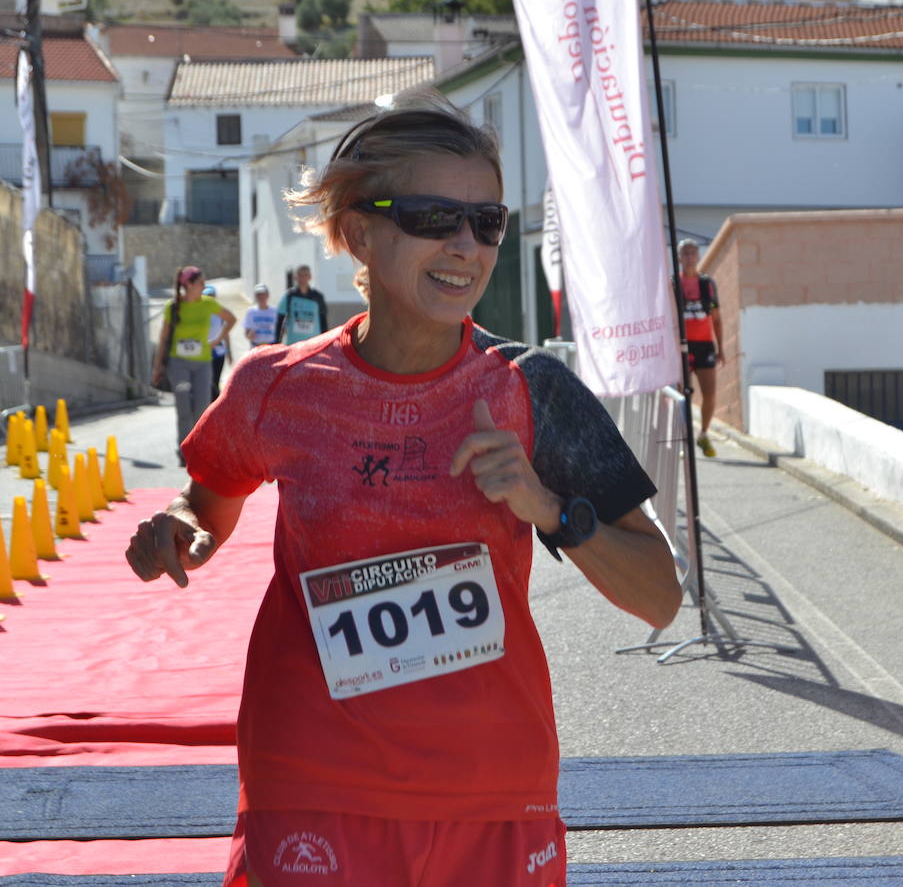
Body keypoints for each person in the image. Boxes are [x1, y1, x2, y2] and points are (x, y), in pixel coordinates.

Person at [125, 101, 680, 887]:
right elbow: (205, 505)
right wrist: (177, 532)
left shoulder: (531, 391)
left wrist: (545, 506)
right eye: (432, 217)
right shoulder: (273, 388)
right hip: (312, 780)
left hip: (491, 789)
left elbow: (661, 598)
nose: (466, 247)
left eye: (485, 221)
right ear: (357, 233)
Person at [151, 266, 236, 466]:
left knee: (201, 407)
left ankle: (200, 448)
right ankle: (184, 450)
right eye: (201, 283)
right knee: (183, 407)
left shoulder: (208, 304)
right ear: (188, 285)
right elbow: (163, 339)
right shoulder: (173, 306)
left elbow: (231, 319)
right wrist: (157, 368)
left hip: (202, 365)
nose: (204, 286)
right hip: (178, 364)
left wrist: (217, 340)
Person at [677, 238, 724, 457]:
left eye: (692, 253)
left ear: (698, 257)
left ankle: (703, 434)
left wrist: (720, 347)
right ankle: (682, 436)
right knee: (681, 394)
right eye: (685, 253)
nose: (689, 257)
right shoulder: (673, 284)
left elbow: (716, 318)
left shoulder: (707, 284)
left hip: (705, 344)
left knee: (710, 394)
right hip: (681, 346)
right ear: (679, 257)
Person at [274, 264, 328, 344]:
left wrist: (325, 342)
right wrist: (277, 342)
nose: (302, 278)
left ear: (310, 277)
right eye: (300, 275)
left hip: (313, 344)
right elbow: (280, 320)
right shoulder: (289, 296)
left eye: (305, 275)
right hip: (293, 344)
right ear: (295, 277)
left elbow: (323, 321)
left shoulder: (317, 297)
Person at [202, 285, 231, 402]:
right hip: (204, 353)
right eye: (207, 296)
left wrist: (229, 352)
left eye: (211, 296)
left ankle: (215, 407)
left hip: (218, 353)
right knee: (207, 382)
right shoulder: (199, 314)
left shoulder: (221, 314)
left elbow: (226, 333)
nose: (210, 298)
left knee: (215, 381)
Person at [243, 283, 279, 348]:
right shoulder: (250, 311)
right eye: (258, 295)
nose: (261, 297)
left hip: (271, 346)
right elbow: (246, 333)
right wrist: (249, 335)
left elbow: (282, 330)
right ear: (255, 297)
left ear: (268, 295)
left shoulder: (275, 311)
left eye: (263, 294)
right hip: (256, 347)